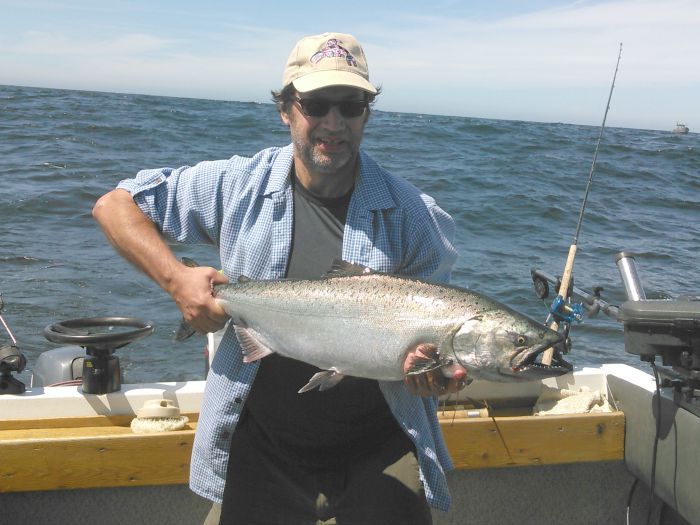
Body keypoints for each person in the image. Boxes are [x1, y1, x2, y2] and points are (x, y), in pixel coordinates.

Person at [93, 31, 467, 525]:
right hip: (259, 445)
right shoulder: (236, 185)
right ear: (286, 109)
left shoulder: (415, 217)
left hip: (379, 449)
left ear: (366, 115)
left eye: (350, 105)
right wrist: (176, 279)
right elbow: (115, 205)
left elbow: (430, 346)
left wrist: (431, 374)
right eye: (316, 103)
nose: (333, 122)